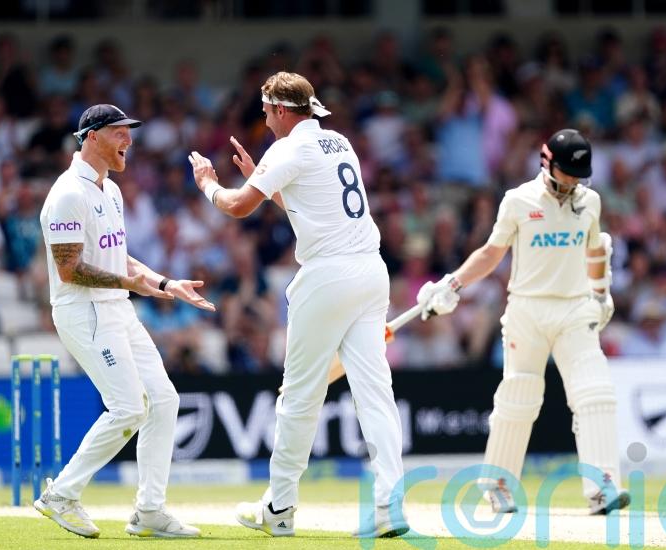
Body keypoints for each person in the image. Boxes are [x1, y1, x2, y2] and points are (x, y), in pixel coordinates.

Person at [188, 71, 407, 538]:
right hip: (371, 272)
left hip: (327, 277)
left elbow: (237, 206)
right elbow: (312, 206)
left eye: (267, 112)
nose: (265, 120)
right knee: (375, 393)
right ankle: (389, 504)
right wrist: (263, 179)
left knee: (299, 396)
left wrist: (207, 183)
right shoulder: (339, 142)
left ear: (281, 110)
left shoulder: (287, 149)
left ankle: (279, 506)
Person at [417, 129, 630, 515]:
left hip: (574, 309)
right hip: (527, 311)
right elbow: (491, 253)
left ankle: (602, 487)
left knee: (595, 393)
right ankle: (497, 485)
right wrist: (453, 283)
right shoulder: (518, 200)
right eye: (567, 174)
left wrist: (600, 293)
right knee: (519, 396)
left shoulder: (590, 201)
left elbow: (596, 248)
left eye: (578, 176)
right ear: (547, 164)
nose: (573, 183)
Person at [34, 104, 215, 539]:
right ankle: (61, 495)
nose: (128, 141)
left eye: (129, 132)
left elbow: (119, 257)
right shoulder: (67, 194)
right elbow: (68, 269)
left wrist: (165, 283)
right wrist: (128, 283)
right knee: (130, 408)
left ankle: (149, 511)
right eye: (119, 132)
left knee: (164, 400)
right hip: (85, 312)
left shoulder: (110, 190)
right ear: (92, 137)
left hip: (117, 308)